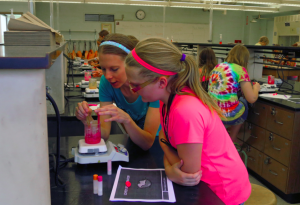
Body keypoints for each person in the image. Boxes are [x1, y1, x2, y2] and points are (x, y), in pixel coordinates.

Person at [125, 37, 251, 205]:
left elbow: (187, 173)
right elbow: (165, 139)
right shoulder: (169, 100)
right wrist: (167, 151)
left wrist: (169, 168)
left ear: (162, 82)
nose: (132, 90)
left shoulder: (184, 110)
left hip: (221, 192)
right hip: (207, 185)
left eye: (135, 85)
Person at [76, 34, 160, 151]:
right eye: (103, 69)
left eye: (114, 69)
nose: (108, 76)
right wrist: (88, 120)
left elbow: (147, 142)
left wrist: (127, 120)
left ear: (132, 64)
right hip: (134, 141)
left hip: (160, 143)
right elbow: (104, 135)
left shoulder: (152, 86)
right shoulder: (106, 83)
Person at [208, 44, 260, 144]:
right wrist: (256, 88)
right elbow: (252, 98)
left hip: (213, 113)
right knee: (243, 102)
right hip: (229, 115)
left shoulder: (218, 66)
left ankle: (222, 134)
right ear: (245, 59)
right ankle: (232, 138)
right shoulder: (240, 70)